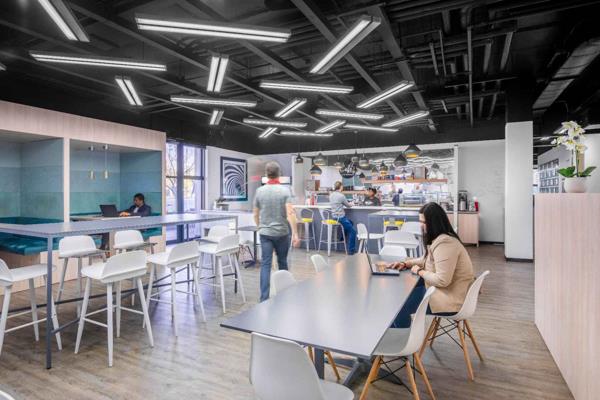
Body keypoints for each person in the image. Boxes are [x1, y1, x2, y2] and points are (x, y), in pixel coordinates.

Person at [389, 202, 474, 327]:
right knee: (402, 295)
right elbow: (427, 260)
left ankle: (401, 336)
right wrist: (405, 263)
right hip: (444, 292)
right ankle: (401, 332)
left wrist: (419, 271)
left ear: (434, 223)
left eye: (423, 222)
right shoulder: (441, 239)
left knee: (399, 304)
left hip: (449, 300)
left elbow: (442, 280)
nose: (421, 225)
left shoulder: (445, 243)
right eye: (420, 221)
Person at [254, 162, 300, 302]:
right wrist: (295, 234)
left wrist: (260, 227)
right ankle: (284, 296)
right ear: (279, 174)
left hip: (265, 234)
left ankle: (264, 299)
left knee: (265, 265)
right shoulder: (285, 191)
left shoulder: (259, 191)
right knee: (282, 262)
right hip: (282, 233)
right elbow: (290, 213)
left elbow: (255, 214)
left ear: (266, 174)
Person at [329, 181, 357, 255]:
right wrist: (352, 203)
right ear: (341, 187)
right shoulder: (341, 196)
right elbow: (348, 205)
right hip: (340, 218)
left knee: (350, 222)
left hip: (334, 217)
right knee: (353, 232)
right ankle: (351, 251)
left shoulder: (331, 195)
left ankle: (342, 237)